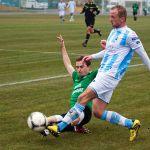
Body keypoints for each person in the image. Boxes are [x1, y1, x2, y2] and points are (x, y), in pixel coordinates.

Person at [48, 5, 150, 142]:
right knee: (98, 112)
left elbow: (143, 55)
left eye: (113, 17)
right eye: (110, 16)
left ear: (122, 18)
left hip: (109, 76)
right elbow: (109, 51)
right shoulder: (114, 32)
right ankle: (132, 124)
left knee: (82, 98)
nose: (110, 19)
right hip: (104, 73)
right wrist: (92, 56)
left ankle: (59, 127)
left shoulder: (130, 35)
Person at [41, 35, 102, 136]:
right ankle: (46, 125)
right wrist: (62, 46)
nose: (78, 69)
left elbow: (104, 67)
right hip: (73, 111)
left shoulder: (92, 75)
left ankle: (53, 128)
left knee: (74, 120)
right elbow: (67, 63)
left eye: (81, 67)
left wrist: (107, 51)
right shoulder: (76, 77)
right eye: (77, 67)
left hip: (85, 111)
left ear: (88, 66)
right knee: (48, 119)